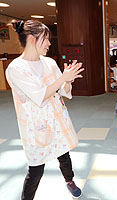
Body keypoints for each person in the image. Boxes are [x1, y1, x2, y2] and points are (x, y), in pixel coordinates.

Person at [6, 20, 83, 199]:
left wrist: (68, 80)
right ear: (32, 39)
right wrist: (63, 77)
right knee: (36, 169)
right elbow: (39, 96)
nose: (49, 43)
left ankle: (69, 180)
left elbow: (63, 91)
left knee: (64, 155)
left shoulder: (49, 62)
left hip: (56, 120)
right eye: (46, 39)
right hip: (35, 126)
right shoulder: (15, 68)